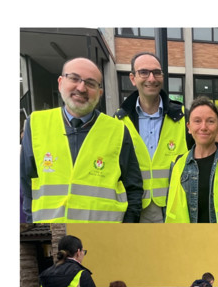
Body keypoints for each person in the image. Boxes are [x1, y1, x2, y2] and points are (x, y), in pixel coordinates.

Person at [20, 57, 143, 223]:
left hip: (103, 236)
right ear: (60, 82)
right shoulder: (36, 124)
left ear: (100, 93)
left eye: (91, 83)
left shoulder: (118, 130)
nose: (81, 87)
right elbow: (27, 185)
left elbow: (133, 188)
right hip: (50, 234)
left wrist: (126, 231)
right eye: (74, 78)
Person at [114, 52, 193, 222]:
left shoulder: (183, 117)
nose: (151, 78)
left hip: (174, 207)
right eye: (144, 72)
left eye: (157, 72)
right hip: (133, 209)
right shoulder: (118, 121)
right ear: (133, 78)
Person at [165, 97, 218, 223]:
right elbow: (169, 208)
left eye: (210, 121)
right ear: (188, 127)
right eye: (197, 121)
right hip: (186, 240)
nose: (203, 127)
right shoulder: (177, 165)